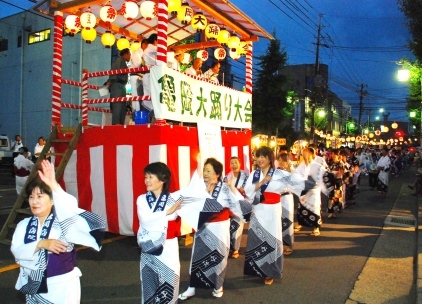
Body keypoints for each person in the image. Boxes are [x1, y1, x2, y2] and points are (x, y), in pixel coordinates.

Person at [11, 160, 105, 304]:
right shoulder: (23, 225)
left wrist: (53, 184)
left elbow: (71, 208)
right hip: (34, 284)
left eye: (40, 196)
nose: (34, 202)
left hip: (62, 286)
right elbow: (16, 251)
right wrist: (41, 244)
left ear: (53, 200)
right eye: (31, 197)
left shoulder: (63, 223)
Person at [178, 157, 247, 300]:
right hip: (203, 226)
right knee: (197, 257)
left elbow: (241, 204)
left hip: (220, 228)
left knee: (218, 256)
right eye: (204, 170)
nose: (205, 173)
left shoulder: (225, 188)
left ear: (217, 173)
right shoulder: (199, 187)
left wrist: (233, 188)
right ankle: (192, 287)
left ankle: (218, 285)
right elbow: (189, 202)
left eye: (209, 171)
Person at [243, 146, 309, 285]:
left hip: (272, 210)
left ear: (269, 159)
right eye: (258, 156)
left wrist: (311, 183)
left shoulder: (279, 174)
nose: (260, 159)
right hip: (258, 210)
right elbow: (249, 192)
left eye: (263, 157)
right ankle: (258, 269)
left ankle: (270, 271)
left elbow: (296, 181)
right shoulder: (254, 174)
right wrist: (261, 182)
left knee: (272, 238)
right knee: (257, 239)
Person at [136, 162, 182, 304]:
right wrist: (167, 212)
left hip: (168, 247)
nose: (147, 180)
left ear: (162, 179)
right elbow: (145, 221)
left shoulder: (174, 198)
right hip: (150, 247)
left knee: (170, 281)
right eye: (146, 177)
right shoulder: (142, 199)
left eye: (150, 177)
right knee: (149, 283)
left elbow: (193, 196)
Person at [223, 156, 249, 259]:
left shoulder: (245, 176)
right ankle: (229, 248)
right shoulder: (227, 177)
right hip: (230, 206)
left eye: (236, 163)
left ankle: (236, 249)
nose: (234, 165)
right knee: (229, 228)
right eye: (232, 163)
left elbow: (249, 188)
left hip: (240, 204)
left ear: (240, 164)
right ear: (229, 165)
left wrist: (243, 189)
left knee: (237, 227)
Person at [277, 148, 295, 255]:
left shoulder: (290, 172)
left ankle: (288, 245)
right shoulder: (276, 171)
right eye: (278, 160)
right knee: (278, 221)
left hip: (286, 197)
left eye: (281, 160)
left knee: (287, 221)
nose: (279, 162)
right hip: (277, 198)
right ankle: (280, 244)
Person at [109, 48, 131, 125]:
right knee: (118, 105)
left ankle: (120, 123)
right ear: (125, 54)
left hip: (121, 85)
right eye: (129, 54)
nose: (130, 56)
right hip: (117, 84)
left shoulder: (122, 61)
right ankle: (116, 124)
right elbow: (113, 74)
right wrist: (110, 82)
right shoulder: (119, 60)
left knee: (122, 106)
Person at [130, 39, 149, 112]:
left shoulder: (143, 55)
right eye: (147, 46)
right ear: (144, 45)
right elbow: (136, 65)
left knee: (141, 96)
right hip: (135, 76)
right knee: (136, 96)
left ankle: (141, 112)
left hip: (141, 77)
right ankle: (136, 113)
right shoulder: (136, 53)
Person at [142, 33, 158, 116]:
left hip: (149, 75)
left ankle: (150, 119)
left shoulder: (148, 49)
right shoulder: (153, 48)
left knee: (150, 96)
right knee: (153, 97)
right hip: (151, 75)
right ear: (155, 41)